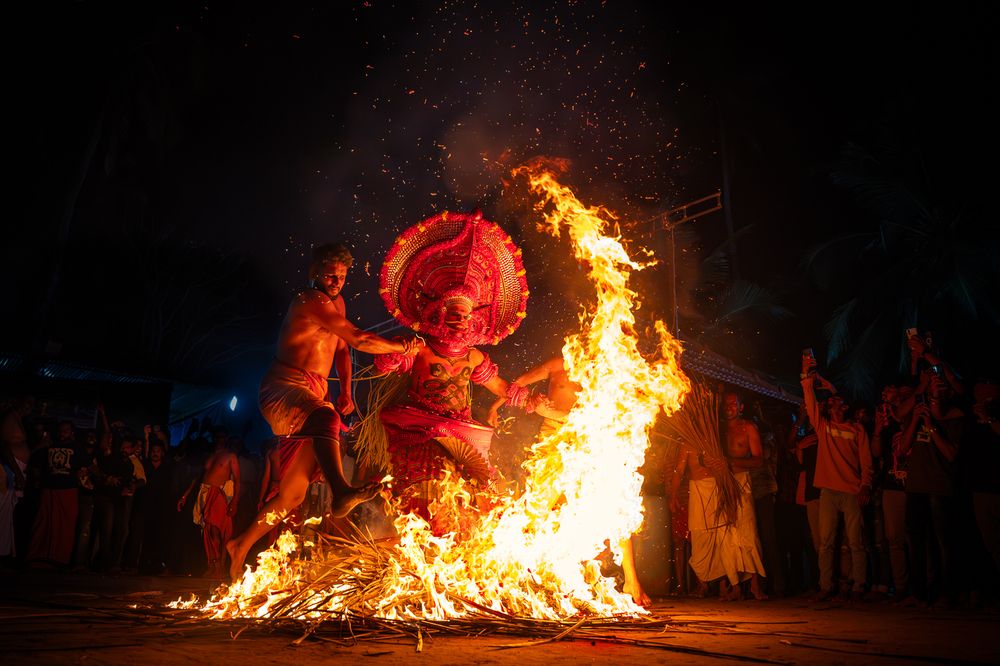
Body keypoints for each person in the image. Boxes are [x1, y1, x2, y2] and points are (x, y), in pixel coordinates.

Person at [227, 242, 422, 580]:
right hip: (284, 389)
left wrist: (346, 391)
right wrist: (401, 347)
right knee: (326, 417)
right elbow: (359, 338)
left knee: (293, 494)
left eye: (342, 276)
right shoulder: (309, 300)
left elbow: (344, 349)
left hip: (314, 393)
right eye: (330, 274)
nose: (336, 280)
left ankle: (240, 545)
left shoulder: (338, 303)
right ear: (314, 272)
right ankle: (342, 491)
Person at [490, 355, 651, 606]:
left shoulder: (610, 359)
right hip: (553, 436)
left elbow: (608, 413)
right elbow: (518, 382)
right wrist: (495, 407)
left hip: (590, 437)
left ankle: (631, 580)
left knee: (613, 505)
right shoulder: (557, 364)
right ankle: (517, 576)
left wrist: (559, 414)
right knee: (537, 506)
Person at [801, 352, 873, 602]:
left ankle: (858, 585)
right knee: (826, 543)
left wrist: (865, 485)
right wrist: (806, 378)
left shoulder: (857, 429)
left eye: (841, 403)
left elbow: (867, 462)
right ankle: (825, 586)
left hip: (852, 492)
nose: (838, 405)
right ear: (830, 408)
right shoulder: (824, 427)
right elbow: (810, 403)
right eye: (834, 403)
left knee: (855, 543)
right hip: (828, 492)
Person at [721, 393, 768, 600]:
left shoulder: (748, 428)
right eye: (726, 404)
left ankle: (755, 585)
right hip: (722, 485)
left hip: (742, 482)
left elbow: (759, 460)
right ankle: (736, 586)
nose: (729, 407)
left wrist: (733, 464)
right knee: (728, 536)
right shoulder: (718, 429)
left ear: (741, 407)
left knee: (748, 532)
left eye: (733, 404)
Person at [179, 429, 240, 578]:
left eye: (222, 436)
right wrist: (185, 495)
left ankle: (219, 566)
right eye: (217, 436)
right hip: (204, 494)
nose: (219, 439)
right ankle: (212, 565)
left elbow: (238, 480)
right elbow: (199, 477)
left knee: (216, 530)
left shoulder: (230, 456)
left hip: (218, 494)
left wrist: (235, 502)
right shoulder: (210, 457)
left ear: (226, 439)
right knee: (206, 530)